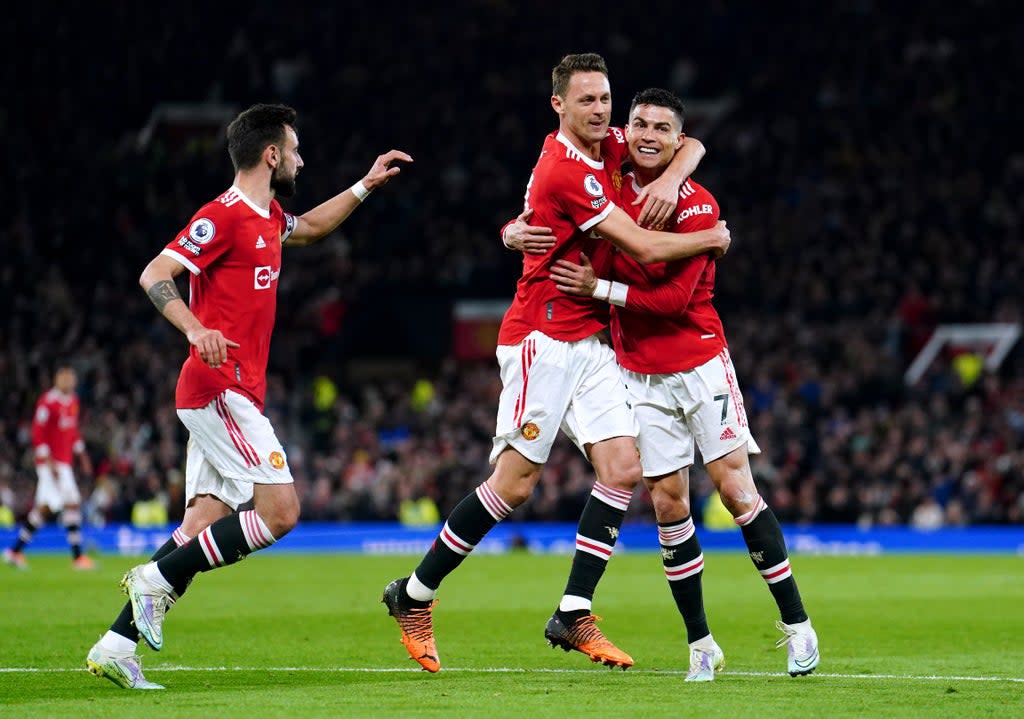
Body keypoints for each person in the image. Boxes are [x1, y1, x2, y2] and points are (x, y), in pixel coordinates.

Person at [381, 53, 731, 674]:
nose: (601, 112)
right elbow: (645, 246)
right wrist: (711, 238)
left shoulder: (611, 144)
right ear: (558, 106)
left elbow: (692, 142)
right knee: (514, 485)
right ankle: (414, 594)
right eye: (587, 101)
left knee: (623, 468)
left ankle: (573, 610)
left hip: (590, 339)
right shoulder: (568, 171)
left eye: (605, 100)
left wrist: (675, 177)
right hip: (540, 338)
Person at [85, 102, 412, 690]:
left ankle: (115, 644)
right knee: (281, 511)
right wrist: (195, 328)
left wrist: (365, 184)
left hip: (237, 393)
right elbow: (154, 273)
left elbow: (309, 228)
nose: (301, 157)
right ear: (271, 155)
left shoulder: (271, 216)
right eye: (294, 148)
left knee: (201, 524)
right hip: (218, 388)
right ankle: (153, 581)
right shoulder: (224, 215)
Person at [545, 87, 820, 679]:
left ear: (676, 141)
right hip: (638, 373)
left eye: (661, 129)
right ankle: (701, 644)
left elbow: (671, 301)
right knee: (669, 506)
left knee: (737, 494)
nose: (646, 135)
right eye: (638, 123)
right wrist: (515, 231)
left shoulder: (698, 207)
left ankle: (798, 626)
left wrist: (597, 290)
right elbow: (553, 204)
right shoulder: (611, 184)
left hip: (698, 364)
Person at [3, 362, 95, 571]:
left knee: (45, 508)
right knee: (70, 503)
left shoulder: (72, 400)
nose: (70, 381)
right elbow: (38, 433)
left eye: (72, 378)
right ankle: (78, 557)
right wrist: (49, 462)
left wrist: (82, 455)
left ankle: (15, 551)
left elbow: (72, 431)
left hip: (64, 462)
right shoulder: (47, 402)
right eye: (66, 378)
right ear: (57, 379)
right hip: (51, 464)